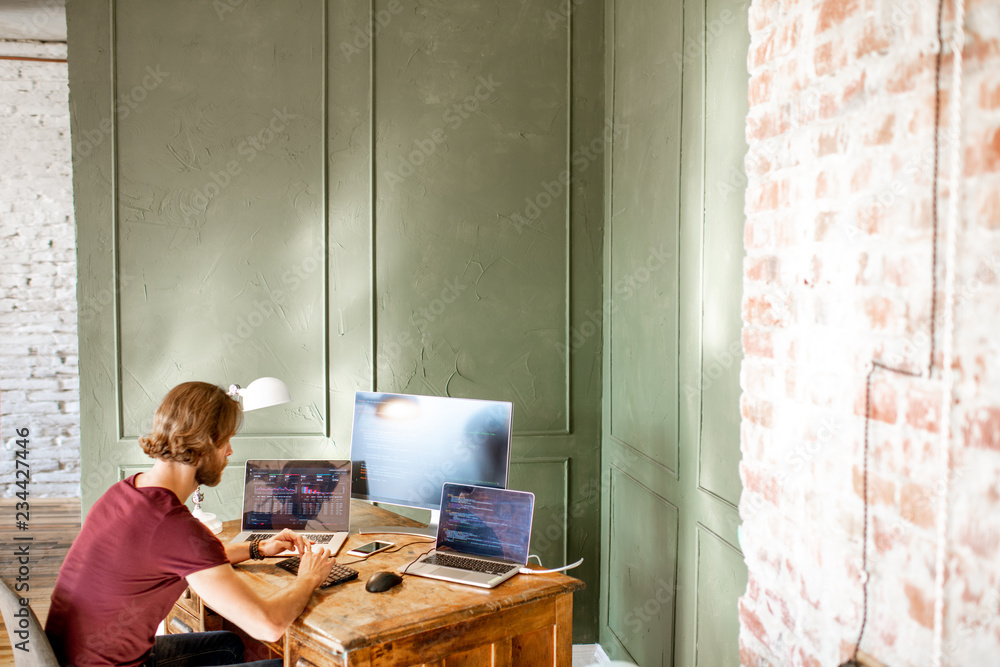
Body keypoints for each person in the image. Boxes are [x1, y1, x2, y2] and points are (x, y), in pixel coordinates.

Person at [46, 381, 337, 666]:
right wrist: (309, 577)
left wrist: (259, 548)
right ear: (204, 443)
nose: (229, 452)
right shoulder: (174, 527)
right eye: (225, 441)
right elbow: (269, 626)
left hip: (71, 657)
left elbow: (191, 559)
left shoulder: (125, 492)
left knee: (227, 644)